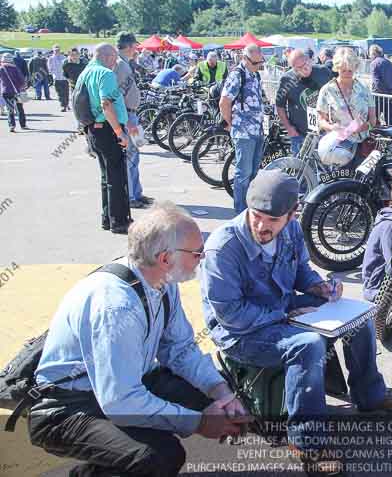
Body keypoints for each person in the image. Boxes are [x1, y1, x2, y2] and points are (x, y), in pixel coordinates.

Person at [200, 170, 392, 469]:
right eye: (256, 216)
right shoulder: (224, 248)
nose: (262, 225)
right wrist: (284, 315)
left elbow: (300, 272)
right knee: (308, 345)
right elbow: (231, 316)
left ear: (291, 213)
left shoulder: (292, 230)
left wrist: (320, 288)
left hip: (281, 310)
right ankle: (306, 443)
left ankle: (370, 395)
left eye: (272, 220)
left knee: (359, 317)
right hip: (242, 333)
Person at [28, 203, 251, 477]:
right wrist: (199, 422)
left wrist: (222, 395)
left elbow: (180, 350)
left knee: (209, 396)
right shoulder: (116, 306)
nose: (202, 257)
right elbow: (121, 401)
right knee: (159, 457)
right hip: (67, 408)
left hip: (121, 385)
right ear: (165, 258)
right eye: (196, 253)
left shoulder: (161, 280)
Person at [78, 43, 132, 234]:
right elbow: (106, 104)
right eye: (115, 58)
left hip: (94, 129)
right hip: (108, 130)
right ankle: (118, 221)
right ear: (108, 56)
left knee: (106, 176)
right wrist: (119, 132)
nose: (115, 63)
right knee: (116, 177)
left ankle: (107, 218)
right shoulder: (105, 74)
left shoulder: (85, 73)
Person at [219, 43, 266, 214]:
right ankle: (240, 212)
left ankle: (250, 209)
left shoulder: (255, 75)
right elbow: (224, 101)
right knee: (243, 174)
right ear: (244, 59)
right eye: (255, 63)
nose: (258, 66)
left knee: (253, 173)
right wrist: (231, 123)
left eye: (259, 63)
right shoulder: (237, 75)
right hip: (243, 132)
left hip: (257, 130)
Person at [316, 47, 376, 168]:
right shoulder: (327, 90)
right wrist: (332, 127)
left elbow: (373, 121)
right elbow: (321, 120)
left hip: (362, 148)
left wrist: (364, 127)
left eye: (351, 70)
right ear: (336, 68)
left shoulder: (364, 89)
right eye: (343, 70)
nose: (348, 74)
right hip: (339, 148)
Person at [116, 32, 154, 211]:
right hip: (128, 116)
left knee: (135, 155)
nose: (136, 50)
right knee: (130, 157)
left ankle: (137, 193)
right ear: (130, 46)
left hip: (132, 115)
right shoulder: (121, 65)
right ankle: (131, 196)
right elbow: (118, 96)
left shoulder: (124, 63)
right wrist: (126, 121)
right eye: (135, 46)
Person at [275, 49, 335, 156]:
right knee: (300, 168)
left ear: (308, 59)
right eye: (299, 67)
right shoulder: (287, 79)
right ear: (293, 68)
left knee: (325, 168)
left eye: (305, 63)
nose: (305, 68)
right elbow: (280, 106)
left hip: (324, 132)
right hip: (300, 134)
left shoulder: (323, 72)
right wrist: (289, 128)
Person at [369, 44, 392, 125]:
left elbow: (377, 82)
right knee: (391, 123)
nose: (370, 56)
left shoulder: (374, 64)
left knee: (373, 121)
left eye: (370, 54)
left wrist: (386, 93)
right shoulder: (390, 63)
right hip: (390, 97)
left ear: (374, 54)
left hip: (378, 97)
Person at [0, 53, 27, 132]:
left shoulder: (1, 68)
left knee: (9, 109)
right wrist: (22, 87)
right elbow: (22, 80)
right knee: (20, 108)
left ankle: (12, 125)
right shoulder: (15, 68)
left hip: (6, 91)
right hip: (17, 91)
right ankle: (23, 124)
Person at [48, 45, 69, 111]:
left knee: (66, 93)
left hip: (64, 78)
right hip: (57, 78)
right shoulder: (51, 59)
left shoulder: (64, 58)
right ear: (53, 51)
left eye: (58, 50)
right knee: (59, 93)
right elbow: (49, 68)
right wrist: (52, 74)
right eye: (55, 50)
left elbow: (67, 67)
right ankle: (63, 106)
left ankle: (66, 104)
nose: (57, 51)